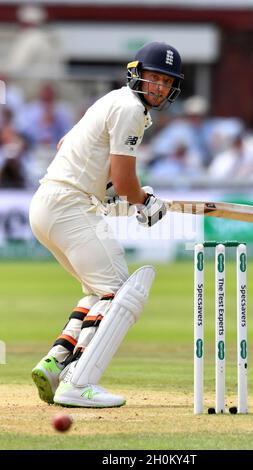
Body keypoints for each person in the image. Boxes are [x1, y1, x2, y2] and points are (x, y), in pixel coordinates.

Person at [29, 42, 184, 408]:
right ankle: (78, 382)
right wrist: (143, 201)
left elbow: (71, 145)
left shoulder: (113, 100)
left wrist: (124, 195)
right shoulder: (131, 108)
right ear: (137, 74)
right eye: (154, 78)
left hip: (48, 204)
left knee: (98, 292)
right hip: (70, 205)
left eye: (166, 81)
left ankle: (56, 363)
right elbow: (124, 179)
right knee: (119, 292)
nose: (159, 87)